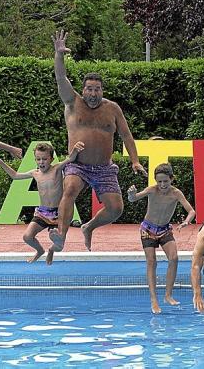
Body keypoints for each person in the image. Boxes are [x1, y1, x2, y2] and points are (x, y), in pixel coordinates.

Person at [48, 29, 147, 260]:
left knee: (116, 209)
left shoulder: (112, 109)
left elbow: (127, 136)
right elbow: (60, 78)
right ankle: (61, 236)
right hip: (78, 164)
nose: (93, 93)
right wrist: (59, 55)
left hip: (104, 168)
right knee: (70, 188)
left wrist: (134, 161)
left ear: (102, 90)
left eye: (97, 89)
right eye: (89, 89)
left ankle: (89, 227)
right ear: (83, 90)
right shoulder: (72, 102)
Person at [0, 141, 85, 264]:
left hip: (60, 213)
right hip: (43, 213)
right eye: (38, 159)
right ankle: (40, 251)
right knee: (27, 237)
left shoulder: (57, 169)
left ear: (51, 159)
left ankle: (51, 250)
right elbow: (14, 175)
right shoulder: (34, 173)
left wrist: (75, 149)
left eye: (44, 159)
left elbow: (71, 158)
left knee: (59, 245)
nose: (41, 162)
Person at [127, 163, 196, 314]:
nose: (162, 184)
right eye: (159, 181)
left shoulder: (176, 193)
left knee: (174, 258)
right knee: (151, 262)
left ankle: (168, 295)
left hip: (164, 229)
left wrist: (186, 221)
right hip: (148, 229)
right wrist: (131, 194)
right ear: (155, 181)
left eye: (165, 181)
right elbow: (133, 199)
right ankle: (154, 300)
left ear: (171, 179)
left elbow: (191, 211)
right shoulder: (152, 190)